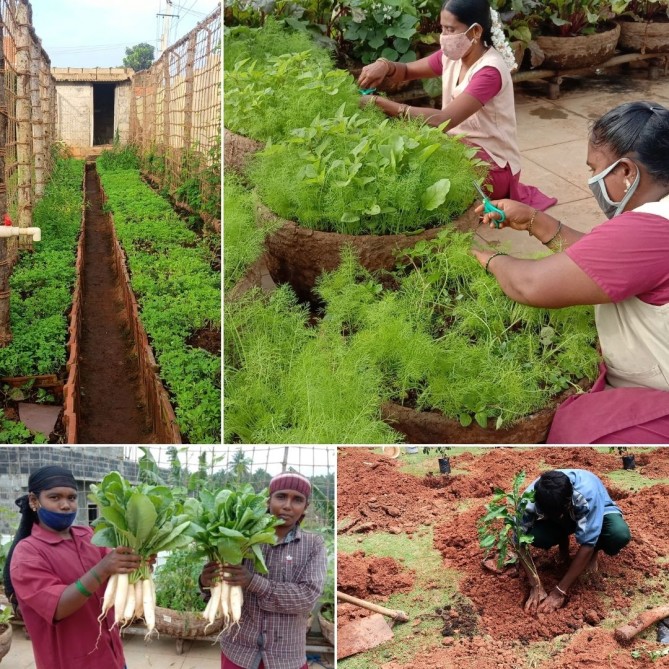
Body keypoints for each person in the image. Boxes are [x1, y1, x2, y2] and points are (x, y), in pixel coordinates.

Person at [473, 100, 669, 443]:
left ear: (626, 172)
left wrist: (487, 258)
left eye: (596, 169)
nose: (591, 180)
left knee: (576, 429)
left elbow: (529, 286)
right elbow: (604, 260)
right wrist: (534, 220)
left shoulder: (651, 231)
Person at [357, 0, 556, 210]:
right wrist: (384, 65)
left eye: (450, 29)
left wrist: (378, 103)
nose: (444, 36)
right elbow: (406, 71)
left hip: (492, 165)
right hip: (459, 149)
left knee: (421, 169)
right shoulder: (452, 57)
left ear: (475, 31)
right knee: (405, 157)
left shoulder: (490, 71)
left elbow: (443, 120)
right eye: (442, 28)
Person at [3, 465, 142, 669]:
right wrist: (103, 568)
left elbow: (117, 577)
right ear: (34, 501)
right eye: (55, 497)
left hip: (113, 656)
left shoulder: (88, 535)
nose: (66, 505)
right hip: (70, 662)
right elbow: (58, 608)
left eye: (71, 497)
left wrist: (136, 563)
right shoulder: (27, 553)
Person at [200, 471, 327, 669]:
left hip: (286, 657)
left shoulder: (314, 544)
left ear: (305, 508)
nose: (287, 505)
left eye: (297, 500)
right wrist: (206, 582)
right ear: (269, 501)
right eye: (281, 496)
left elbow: (307, 597)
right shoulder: (240, 538)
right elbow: (217, 589)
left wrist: (253, 582)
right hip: (237, 650)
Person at [519, 469, 631, 615]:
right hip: (560, 512)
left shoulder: (586, 494)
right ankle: (562, 547)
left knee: (618, 534)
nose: (559, 516)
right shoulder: (527, 502)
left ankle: (595, 551)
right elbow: (518, 541)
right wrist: (535, 584)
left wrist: (559, 591)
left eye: (561, 513)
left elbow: (587, 543)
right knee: (537, 536)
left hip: (597, 509)